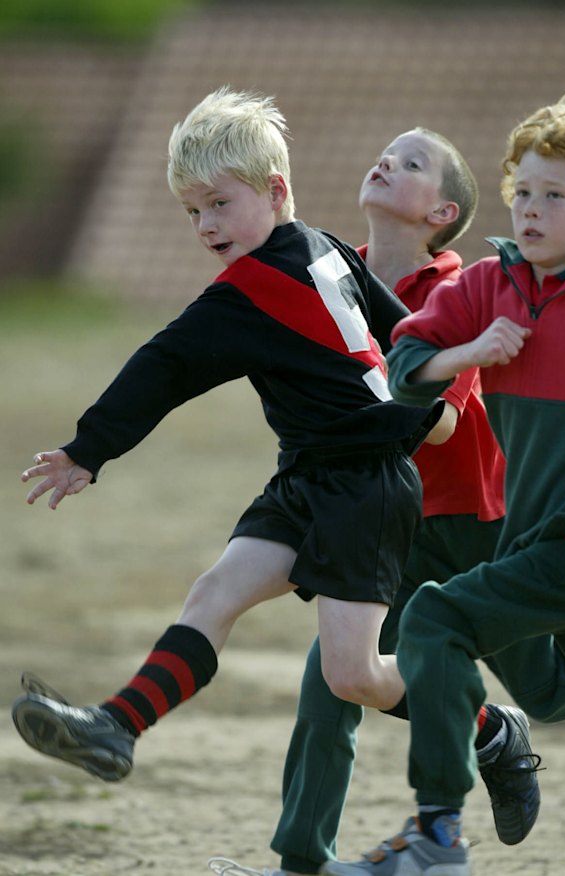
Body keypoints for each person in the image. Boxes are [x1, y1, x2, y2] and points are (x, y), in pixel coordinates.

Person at [11, 87, 444, 784]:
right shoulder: (323, 246)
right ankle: (117, 727)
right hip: (308, 476)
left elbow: (166, 364)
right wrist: (430, 392)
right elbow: (408, 335)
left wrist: (89, 448)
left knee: (355, 675)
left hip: (365, 486)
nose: (205, 224)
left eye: (219, 202)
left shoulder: (250, 290)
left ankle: (487, 728)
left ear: (275, 191)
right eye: (192, 210)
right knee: (214, 594)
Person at [209, 123, 565, 876]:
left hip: (487, 525)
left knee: (551, 694)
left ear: (442, 213)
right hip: (395, 523)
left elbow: (440, 424)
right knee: (333, 677)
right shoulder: (328, 274)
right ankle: (302, 862)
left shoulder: (460, 286)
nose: (386, 160)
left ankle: (495, 736)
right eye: (386, 151)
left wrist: (350, 403)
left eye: (412, 162)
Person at [318, 83, 565, 876]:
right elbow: (403, 367)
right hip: (536, 543)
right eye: (523, 192)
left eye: (556, 195)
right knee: (550, 696)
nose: (531, 209)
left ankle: (437, 835)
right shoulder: (486, 286)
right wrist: (469, 355)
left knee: (435, 620)